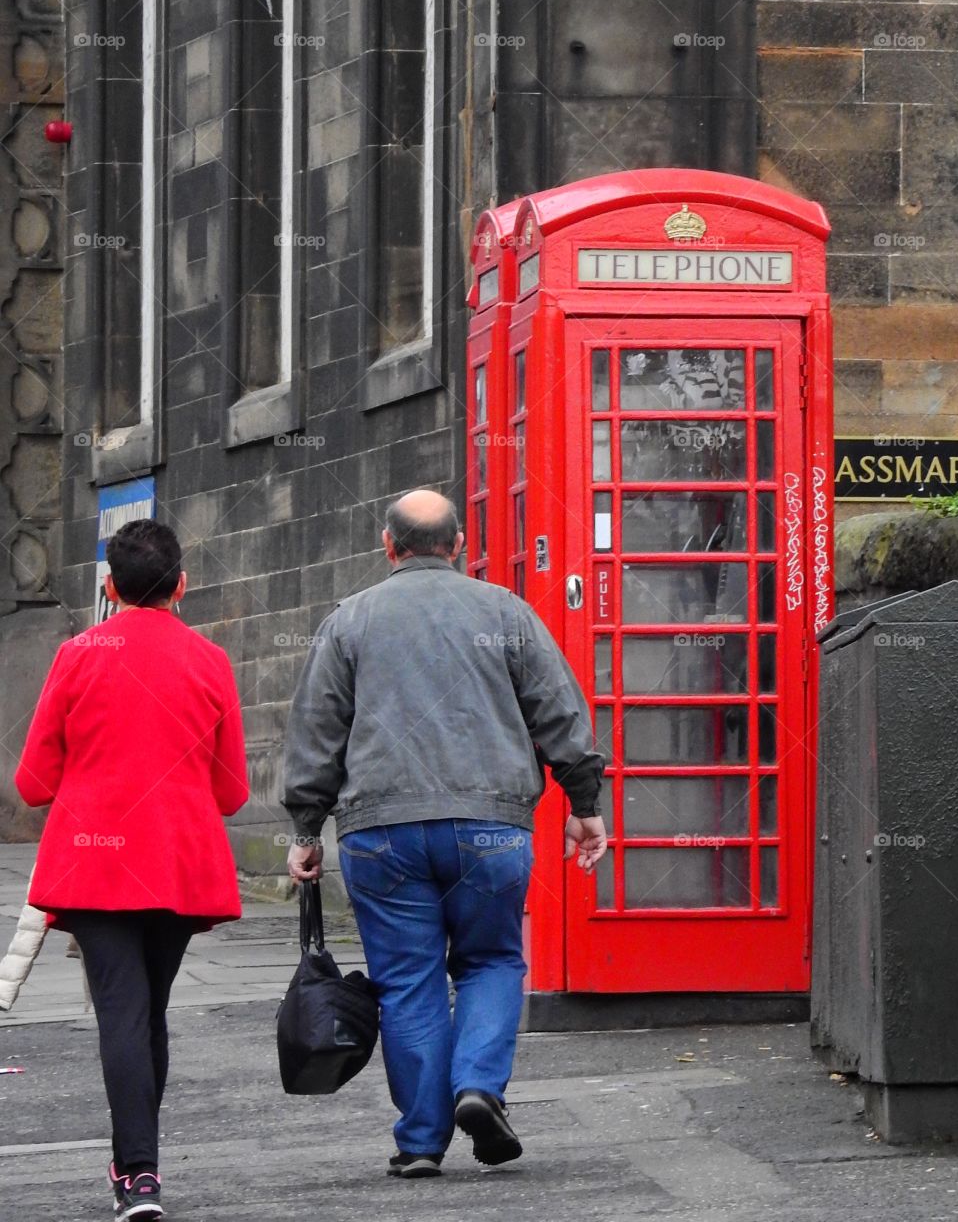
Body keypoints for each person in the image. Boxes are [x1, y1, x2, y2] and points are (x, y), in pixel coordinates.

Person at [283, 489, 606, 1178]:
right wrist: (585, 801)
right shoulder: (505, 613)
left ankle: (421, 1142)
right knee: (491, 961)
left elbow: (316, 732)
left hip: (382, 832)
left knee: (407, 983)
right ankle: (479, 1087)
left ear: (388, 544)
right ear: (459, 546)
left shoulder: (350, 620)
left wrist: (306, 828)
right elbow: (560, 711)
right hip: (489, 827)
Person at [16, 519, 249, 1221]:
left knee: (121, 1008)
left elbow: (31, 781)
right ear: (182, 585)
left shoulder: (78, 655)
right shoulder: (210, 661)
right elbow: (234, 791)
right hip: (178, 862)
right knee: (150, 1010)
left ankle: (139, 1175)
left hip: (93, 863)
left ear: (110, 588)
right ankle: (138, 1167)